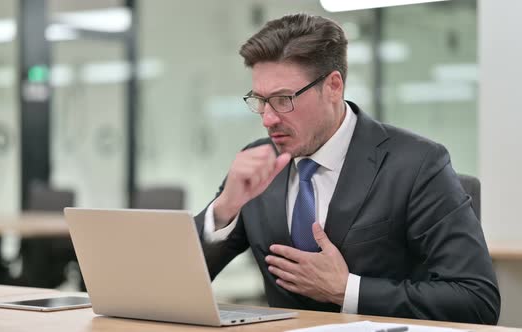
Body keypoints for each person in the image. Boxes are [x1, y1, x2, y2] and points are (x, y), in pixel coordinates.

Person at [193, 13, 500, 324]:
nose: (267, 118)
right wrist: (224, 209)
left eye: (283, 99)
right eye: (260, 100)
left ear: (333, 87)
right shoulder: (260, 163)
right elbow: (179, 279)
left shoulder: (418, 164)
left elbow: (476, 300)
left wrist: (347, 290)